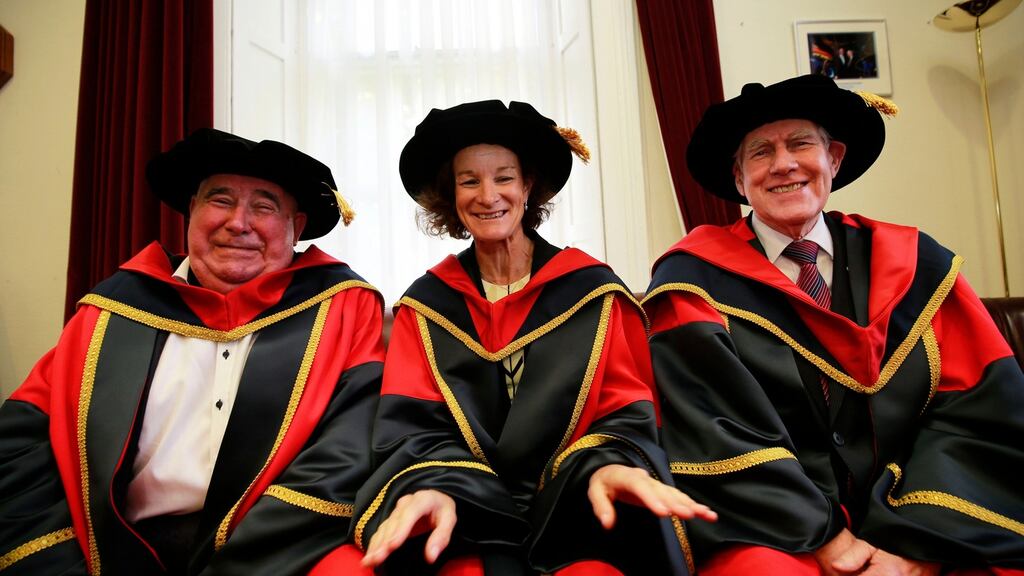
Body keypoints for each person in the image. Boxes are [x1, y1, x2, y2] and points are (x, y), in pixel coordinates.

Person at [643, 74, 1024, 575]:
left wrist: (916, 547)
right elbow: (712, 427)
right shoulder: (693, 281)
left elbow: (976, 408)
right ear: (739, 180)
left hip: (922, 511)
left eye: (801, 144)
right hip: (776, 528)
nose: (783, 164)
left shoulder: (916, 265)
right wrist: (825, 540)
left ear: (834, 160)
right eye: (760, 153)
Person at [348, 100, 716, 575]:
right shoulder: (427, 306)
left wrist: (609, 466)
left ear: (528, 187)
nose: (487, 195)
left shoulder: (592, 293)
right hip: (470, 517)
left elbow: (625, 410)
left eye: (503, 177)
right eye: (468, 181)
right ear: (451, 196)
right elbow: (412, 427)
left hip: (577, 508)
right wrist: (436, 487)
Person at [0, 128, 385, 575]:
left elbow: (350, 444)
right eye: (220, 201)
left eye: (263, 207)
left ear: (295, 227)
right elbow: (22, 446)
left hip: (278, 546)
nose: (239, 222)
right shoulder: (113, 311)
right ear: (192, 211)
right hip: (119, 546)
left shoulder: (341, 308)